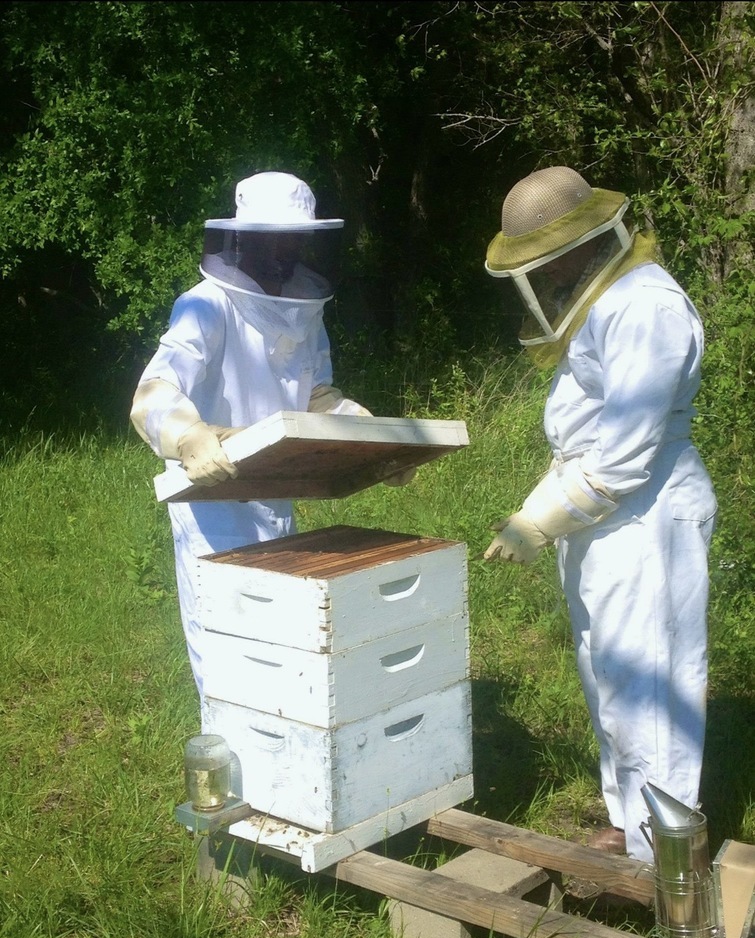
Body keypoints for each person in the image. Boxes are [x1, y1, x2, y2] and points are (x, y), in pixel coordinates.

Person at [481, 166, 717, 862]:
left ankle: (664, 857)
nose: (545, 277)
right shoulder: (605, 297)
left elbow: (621, 457)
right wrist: (542, 511)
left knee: (650, 677)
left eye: (548, 261)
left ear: (582, 244)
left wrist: (536, 521)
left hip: (646, 516)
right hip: (603, 515)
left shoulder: (645, 307)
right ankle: (627, 817)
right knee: (605, 664)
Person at [130, 171, 411, 724]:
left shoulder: (306, 308)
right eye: (275, 237)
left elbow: (317, 396)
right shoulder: (207, 305)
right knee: (226, 651)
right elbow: (154, 391)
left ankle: (277, 786)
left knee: (280, 649)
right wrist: (188, 435)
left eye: (297, 238)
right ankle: (232, 795)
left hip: (275, 494)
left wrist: (373, 438)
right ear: (245, 237)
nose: (288, 250)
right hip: (211, 501)